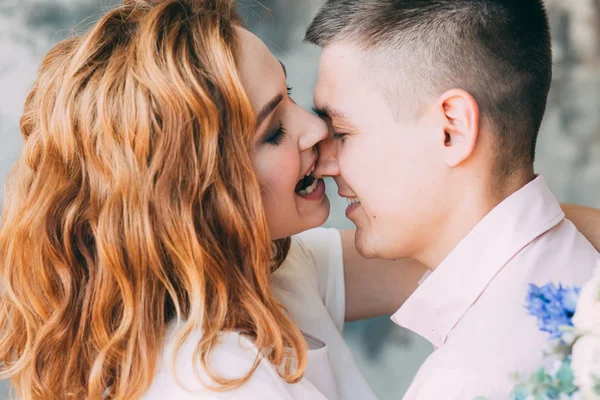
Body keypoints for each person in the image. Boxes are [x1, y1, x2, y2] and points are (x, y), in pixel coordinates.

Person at [306, 0, 600, 398]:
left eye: (342, 132)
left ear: (452, 129)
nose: (323, 163)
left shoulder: (467, 383)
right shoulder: (579, 262)